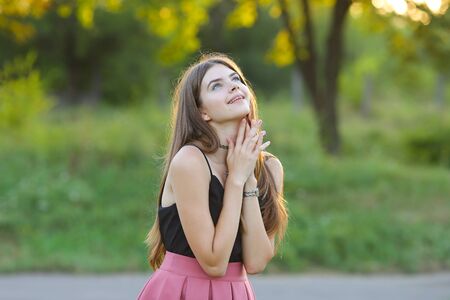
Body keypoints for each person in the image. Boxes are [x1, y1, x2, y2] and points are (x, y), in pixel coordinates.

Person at [137, 53, 288, 300]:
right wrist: (236, 180)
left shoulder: (270, 167)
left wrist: (249, 178)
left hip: (235, 292)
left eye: (236, 79)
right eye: (216, 85)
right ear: (202, 112)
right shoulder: (190, 161)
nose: (233, 86)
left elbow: (257, 262)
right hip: (183, 291)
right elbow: (215, 264)